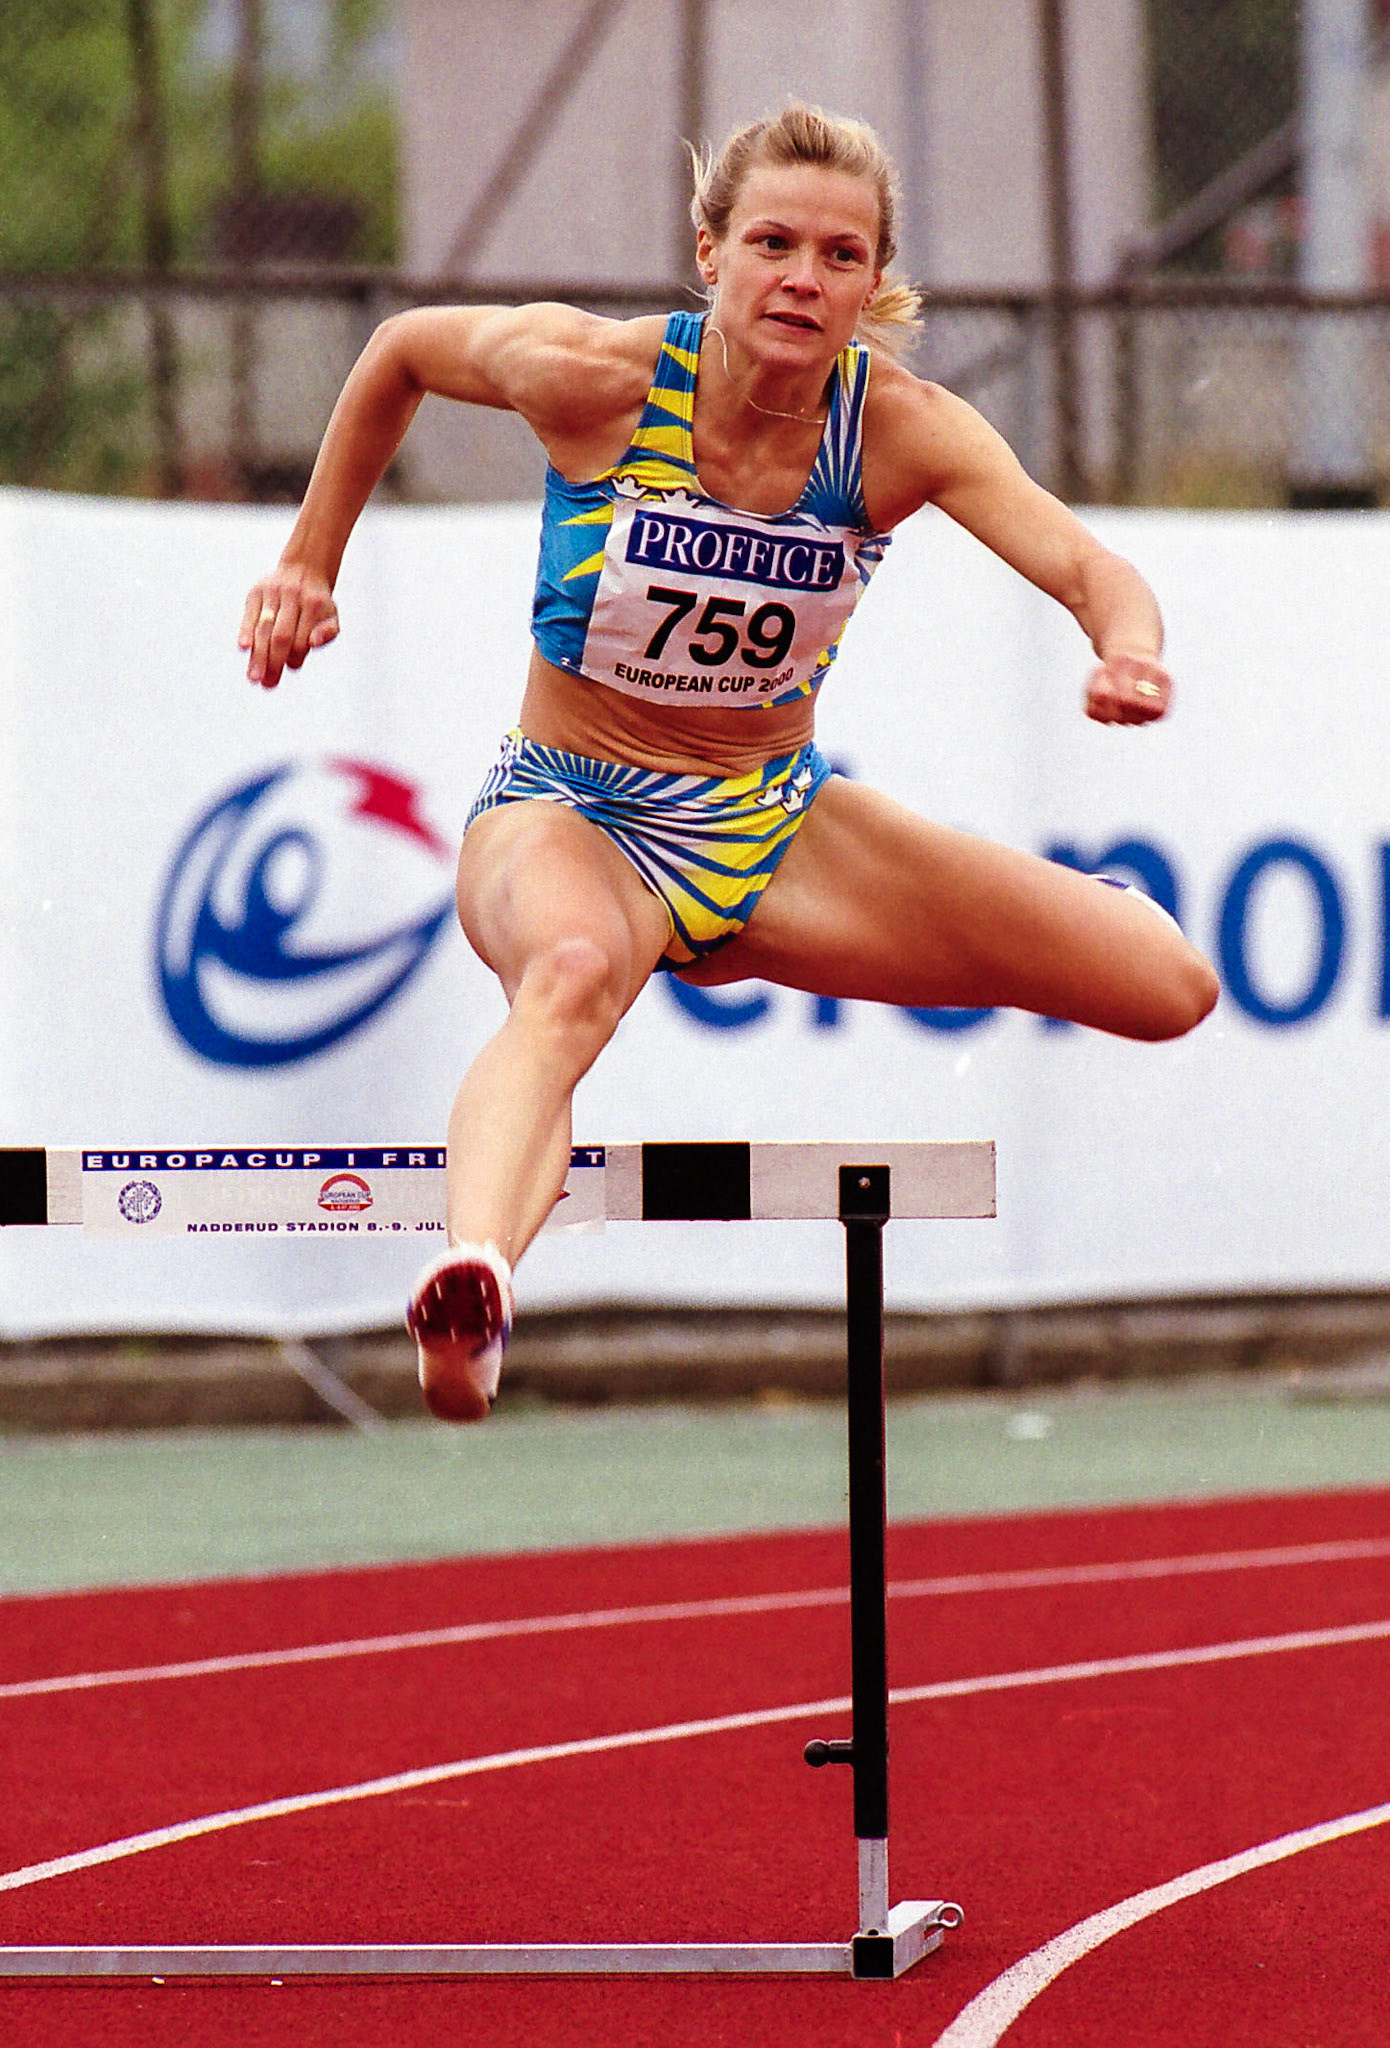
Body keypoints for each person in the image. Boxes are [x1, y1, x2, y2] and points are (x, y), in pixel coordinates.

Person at [239, 104, 1219, 1425]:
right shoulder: (595, 376)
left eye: (837, 255)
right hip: (570, 809)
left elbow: (1093, 567)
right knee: (572, 978)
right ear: (709, 255)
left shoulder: (901, 433)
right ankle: (473, 1280)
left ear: (872, 281)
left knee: (1168, 989)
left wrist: (1127, 649)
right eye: (771, 243)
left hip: (769, 827)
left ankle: (1109, 926)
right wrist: (308, 560)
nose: (802, 281)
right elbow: (400, 350)